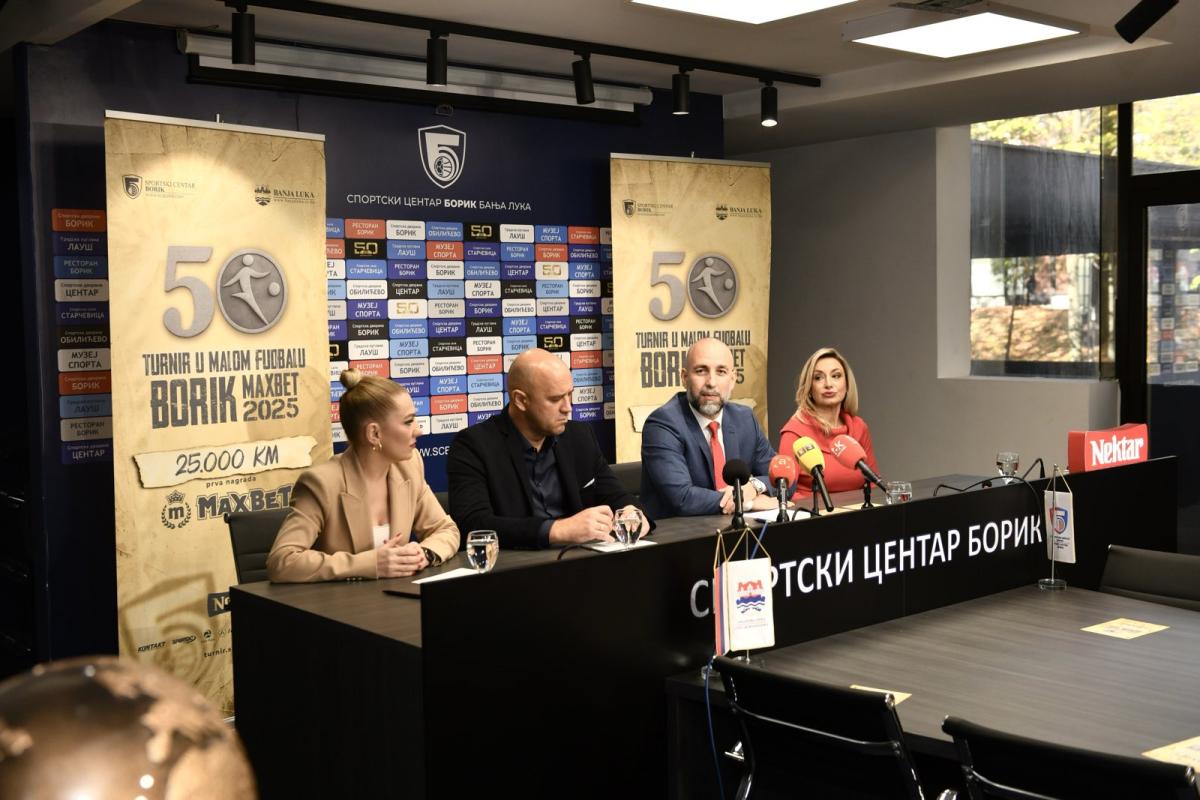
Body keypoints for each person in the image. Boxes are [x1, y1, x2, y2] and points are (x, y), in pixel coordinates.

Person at [266, 369, 459, 582]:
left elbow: (445, 530)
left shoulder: (409, 466)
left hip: (398, 597)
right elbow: (282, 561)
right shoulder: (322, 483)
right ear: (374, 433)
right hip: (341, 601)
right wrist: (371, 564)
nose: (418, 430)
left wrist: (423, 554)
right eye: (408, 421)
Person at [447, 348, 649, 549]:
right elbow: (473, 525)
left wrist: (632, 513)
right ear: (520, 400)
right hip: (514, 564)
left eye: (570, 395)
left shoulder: (579, 436)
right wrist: (558, 530)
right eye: (555, 399)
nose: (568, 407)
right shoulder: (474, 445)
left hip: (580, 560)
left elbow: (616, 495)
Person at [640, 337, 777, 519]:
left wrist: (754, 486)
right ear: (684, 377)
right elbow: (682, 498)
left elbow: (782, 478)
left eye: (721, 372)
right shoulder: (662, 424)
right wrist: (746, 503)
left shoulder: (744, 418)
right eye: (701, 371)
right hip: (682, 533)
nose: (711, 382)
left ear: (733, 379)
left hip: (735, 529)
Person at [780, 347, 880, 502]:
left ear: (847, 384)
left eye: (836, 376)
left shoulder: (859, 427)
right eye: (818, 378)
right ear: (809, 388)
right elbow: (785, 493)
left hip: (859, 513)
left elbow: (873, 484)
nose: (828, 384)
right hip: (814, 514)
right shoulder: (794, 433)